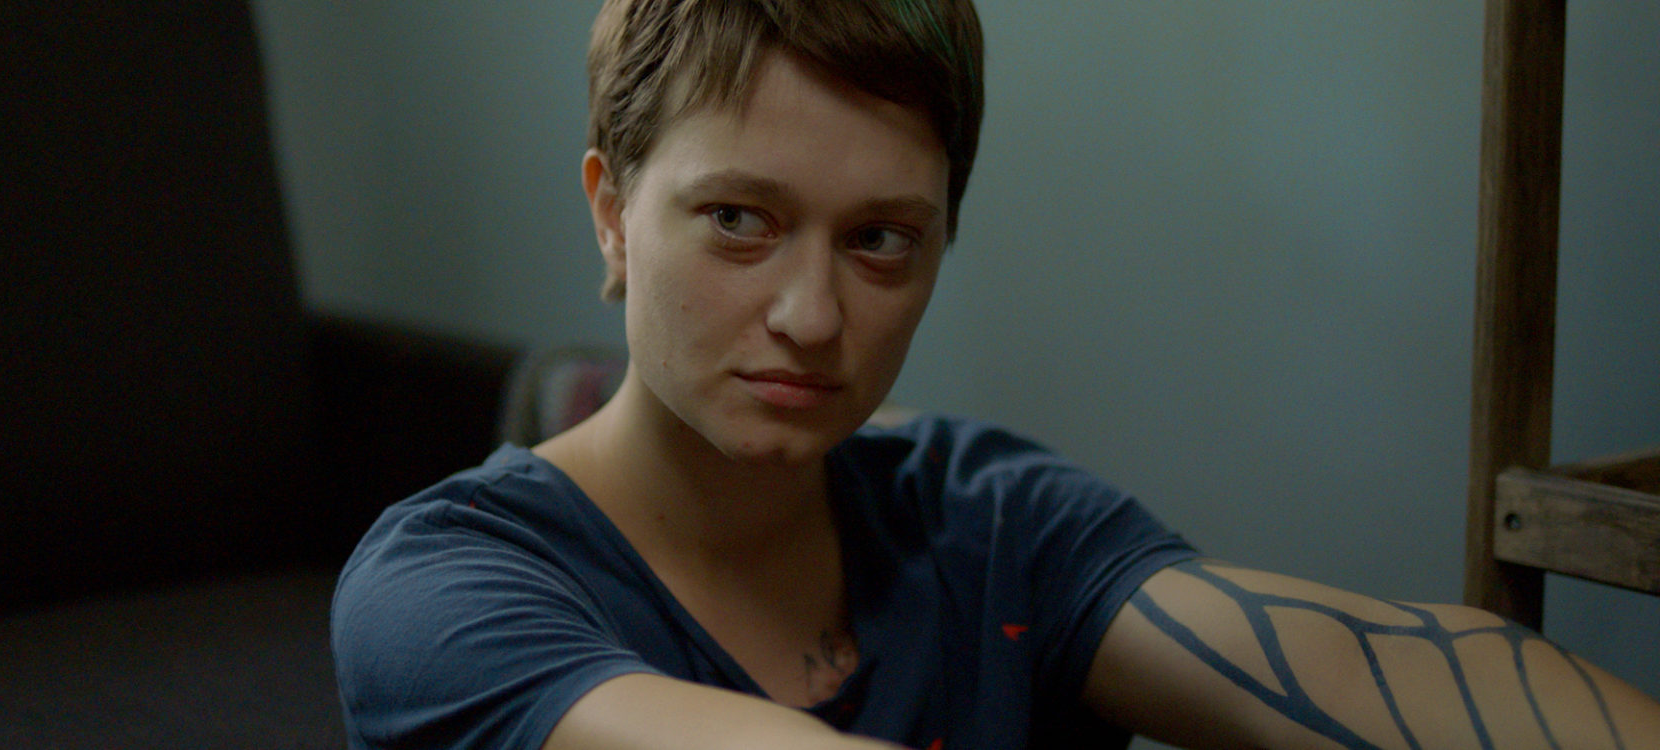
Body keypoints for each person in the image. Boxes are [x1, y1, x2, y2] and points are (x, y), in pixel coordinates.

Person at [331, 1, 1660, 747]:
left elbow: (1370, 667)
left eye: (881, 240)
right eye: (739, 218)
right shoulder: (441, 588)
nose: (811, 315)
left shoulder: (984, 517)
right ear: (613, 214)